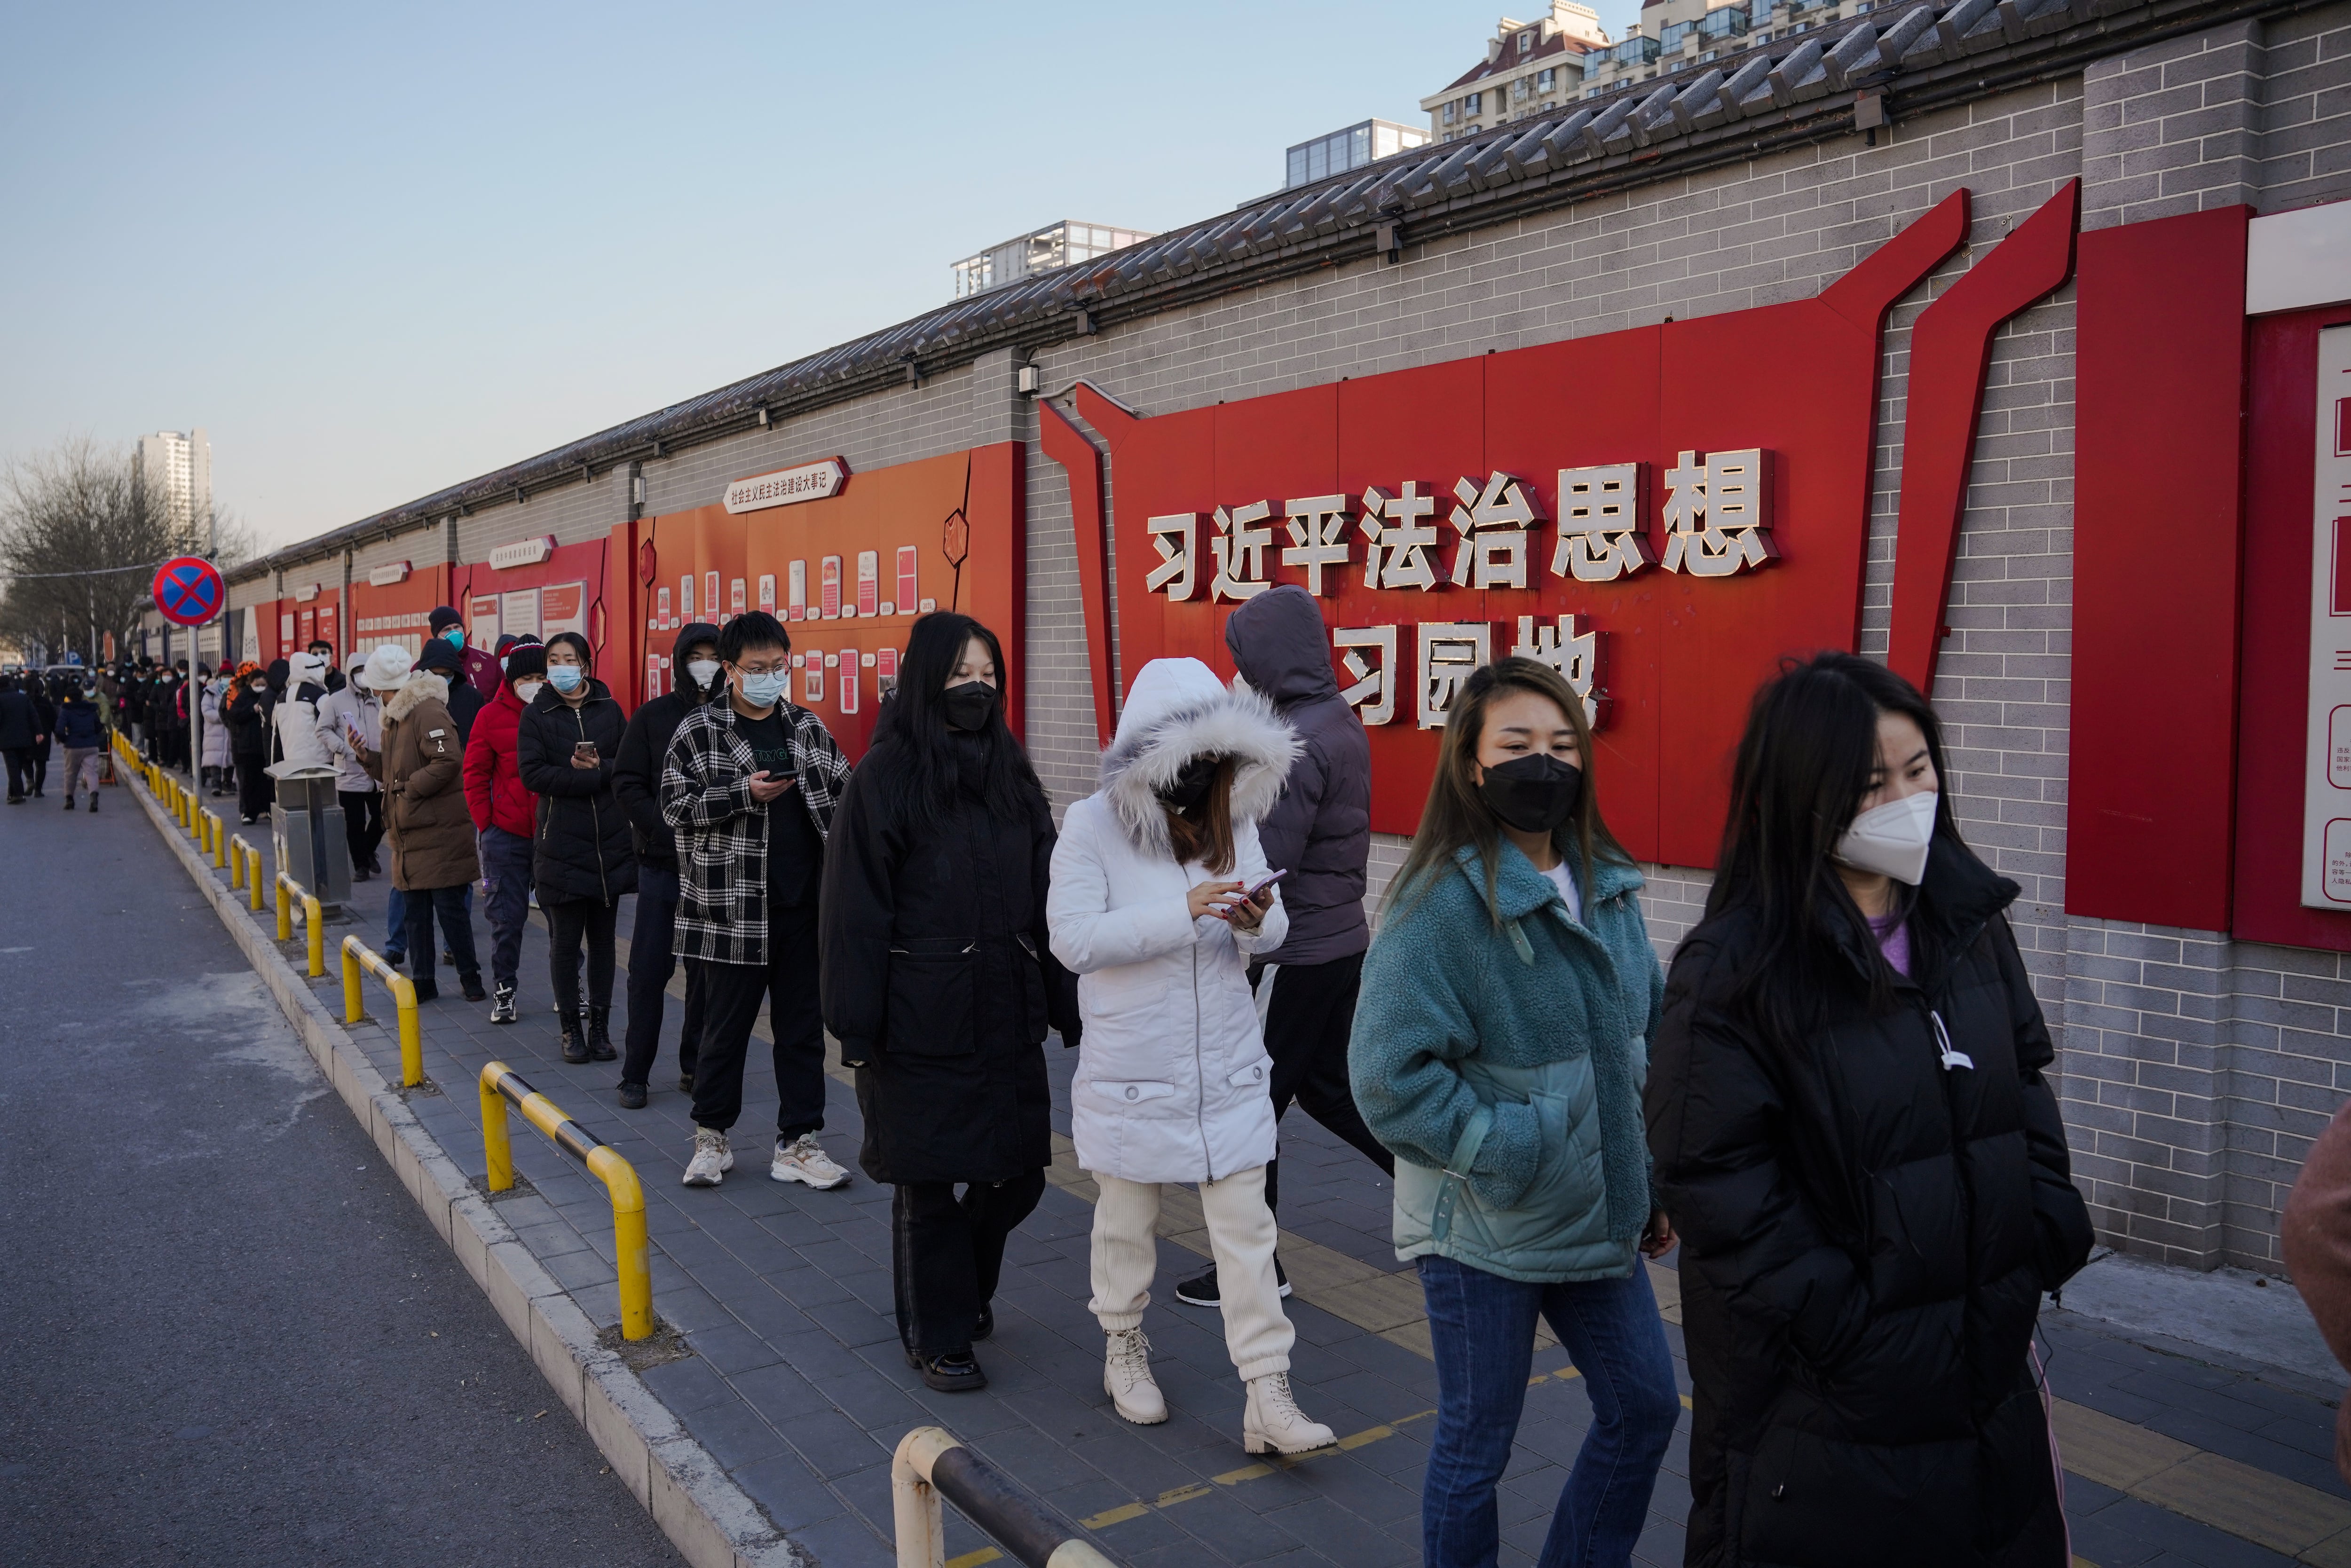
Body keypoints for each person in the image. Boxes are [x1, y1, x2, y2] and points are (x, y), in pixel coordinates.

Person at [1649, 651, 2093, 1568]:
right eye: (1867, 783)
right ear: (1794, 796)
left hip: (1987, 1373)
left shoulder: (1968, 924)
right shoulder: (1735, 970)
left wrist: (2042, 1228)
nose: (1903, 799)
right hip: (1827, 1413)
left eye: (1916, 768)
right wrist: (1853, 1330)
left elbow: (2020, 1086)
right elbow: (1717, 1181)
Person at [1349, 658, 1678, 1568]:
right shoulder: (1438, 903)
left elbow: (1644, 1034)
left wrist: (1646, 1175)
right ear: (1470, 763)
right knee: (1476, 1441)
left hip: (1592, 1215)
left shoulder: (1607, 885)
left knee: (1645, 1403)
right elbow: (1385, 1076)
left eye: (1564, 744)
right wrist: (1510, 1141)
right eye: (1518, 744)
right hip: (1479, 1226)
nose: (1546, 762)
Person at [1046, 655, 1334, 1455]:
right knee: (1127, 1219)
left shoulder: (1232, 820)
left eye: (1217, 763)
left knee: (1248, 1229)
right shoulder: (1090, 825)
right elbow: (1071, 941)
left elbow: (1271, 934)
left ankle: (1268, 1392)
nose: (1203, 778)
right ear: (1149, 758)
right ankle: (1123, 1346)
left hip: (1229, 1064)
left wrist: (1254, 919)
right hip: (1136, 1067)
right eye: (1189, 762)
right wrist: (1183, 911)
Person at [820, 613, 1083, 1393]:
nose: (977, 687)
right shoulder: (884, 779)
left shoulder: (1012, 776)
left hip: (1006, 1012)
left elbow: (1052, 901)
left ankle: (958, 1291)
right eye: (962, 672)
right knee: (929, 1182)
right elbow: (853, 915)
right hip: (918, 1019)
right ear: (927, 677)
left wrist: (1068, 1003)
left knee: (1017, 1175)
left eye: (989, 674)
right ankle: (937, 1332)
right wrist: (856, 1026)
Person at [1175, 585, 1389, 1311]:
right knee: (1331, 1090)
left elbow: (1268, 859)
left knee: (1252, 1107)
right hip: (1339, 941)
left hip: (1298, 954)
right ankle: (1447, 1189)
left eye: (1241, 658)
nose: (1236, 674)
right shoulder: (1336, 718)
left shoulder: (1292, 743)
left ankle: (1258, 1268)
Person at [659, 610, 853, 1192]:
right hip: (729, 911)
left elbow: (846, 796)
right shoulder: (698, 730)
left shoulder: (807, 727)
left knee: (801, 1030)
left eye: (777, 666)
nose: (769, 677)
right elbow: (674, 807)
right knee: (724, 1029)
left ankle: (799, 1142)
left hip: (800, 908)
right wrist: (742, 793)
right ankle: (711, 1138)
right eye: (756, 668)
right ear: (729, 669)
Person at [611, 623, 720, 1107]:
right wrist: (664, 826)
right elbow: (627, 781)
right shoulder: (652, 717)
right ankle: (635, 1073)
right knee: (649, 972)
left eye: (713, 655)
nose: (704, 663)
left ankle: (694, 1065)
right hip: (660, 865)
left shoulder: (733, 717)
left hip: (714, 867)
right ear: (678, 660)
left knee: (705, 974)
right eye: (695, 655)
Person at [516, 632, 636, 1061]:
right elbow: (533, 776)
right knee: (564, 943)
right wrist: (582, 774)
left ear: (586, 664)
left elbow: (629, 766)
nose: (561, 667)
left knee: (604, 942)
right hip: (560, 843)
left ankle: (600, 1027)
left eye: (569, 659)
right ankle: (571, 1028)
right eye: (554, 659)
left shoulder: (610, 709)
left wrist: (602, 766)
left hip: (608, 842)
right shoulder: (537, 714)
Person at [357, 643, 485, 1004]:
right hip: (410, 835)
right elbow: (393, 770)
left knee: (450, 912)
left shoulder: (427, 712)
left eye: (375, 690)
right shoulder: (395, 720)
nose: (374, 696)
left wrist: (408, 789)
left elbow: (447, 762)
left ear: (386, 688)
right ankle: (424, 982)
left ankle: (470, 978)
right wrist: (367, 758)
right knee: (415, 916)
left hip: (437, 833)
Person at [465, 640, 544, 1024]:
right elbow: (475, 773)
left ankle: (570, 989)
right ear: (512, 679)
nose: (534, 684)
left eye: (541, 677)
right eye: (527, 677)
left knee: (567, 921)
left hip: (552, 833)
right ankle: (505, 990)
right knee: (506, 920)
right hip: (506, 835)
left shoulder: (558, 713)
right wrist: (486, 821)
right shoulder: (490, 716)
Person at [317, 651, 384, 882]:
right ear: (350, 675)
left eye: (366, 672)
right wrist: (346, 749)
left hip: (379, 771)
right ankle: (360, 865)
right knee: (354, 823)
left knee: (383, 817)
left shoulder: (380, 698)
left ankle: (367, 850)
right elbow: (322, 730)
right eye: (358, 672)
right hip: (350, 771)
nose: (362, 677)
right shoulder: (336, 701)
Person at [227, 663, 275, 822]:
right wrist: (251, 710)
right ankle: (249, 812)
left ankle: (267, 809)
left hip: (265, 746)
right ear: (250, 683)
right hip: (247, 746)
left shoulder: (269, 695)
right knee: (249, 781)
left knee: (266, 781)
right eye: (257, 685)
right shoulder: (243, 696)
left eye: (263, 685)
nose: (260, 688)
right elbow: (233, 715)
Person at [272, 652, 334, 774]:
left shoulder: (281, 698)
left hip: (290, 763)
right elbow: (332, 726)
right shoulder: (320, 695)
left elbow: (276, 735)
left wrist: (275, 766)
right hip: (320, 763)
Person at [426, 606, 502, 699]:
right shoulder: (426, 667)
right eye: (447, 630)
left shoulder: (488, 661)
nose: (454, 632)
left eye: (457, 627)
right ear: (436, 636)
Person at [56, 682, 104, 812]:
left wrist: (66, 740)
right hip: (91, 745)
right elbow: (99, 726)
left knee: (70, 774)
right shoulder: (90, 709)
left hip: (72, 747)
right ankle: (94, 797)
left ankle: (69, 800)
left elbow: (59, 730)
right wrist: (92, 736)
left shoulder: (66, 711)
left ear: (68, 698)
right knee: (91, 773)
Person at [0, 675, 43, 803]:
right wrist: (39, 732)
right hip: (25, 738)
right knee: (17, 766)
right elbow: (33, 716)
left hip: (7, 739)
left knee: (12, 767)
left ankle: (18, 794)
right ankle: (12, 793)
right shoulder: (23, 698)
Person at [201, 667, 233, 795]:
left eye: (230, 676)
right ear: (219, 677)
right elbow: (207, 711)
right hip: (214, 733)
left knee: (231, 759)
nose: (227, 679)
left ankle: (228, 784)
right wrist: (223, 716)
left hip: (230, 731)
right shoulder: (210, 692)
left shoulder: (236, 691)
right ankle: (216, 785)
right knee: (215, 759)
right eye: (225, 677)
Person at [24, 676, 56, 798]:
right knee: (41, 764)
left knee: (26, 761)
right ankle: (38, 790)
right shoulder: (46, 702)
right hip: (44, 737)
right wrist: (58, 734)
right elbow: (54, 720)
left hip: (27, 737)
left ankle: (30, 780)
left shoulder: (25, 701)